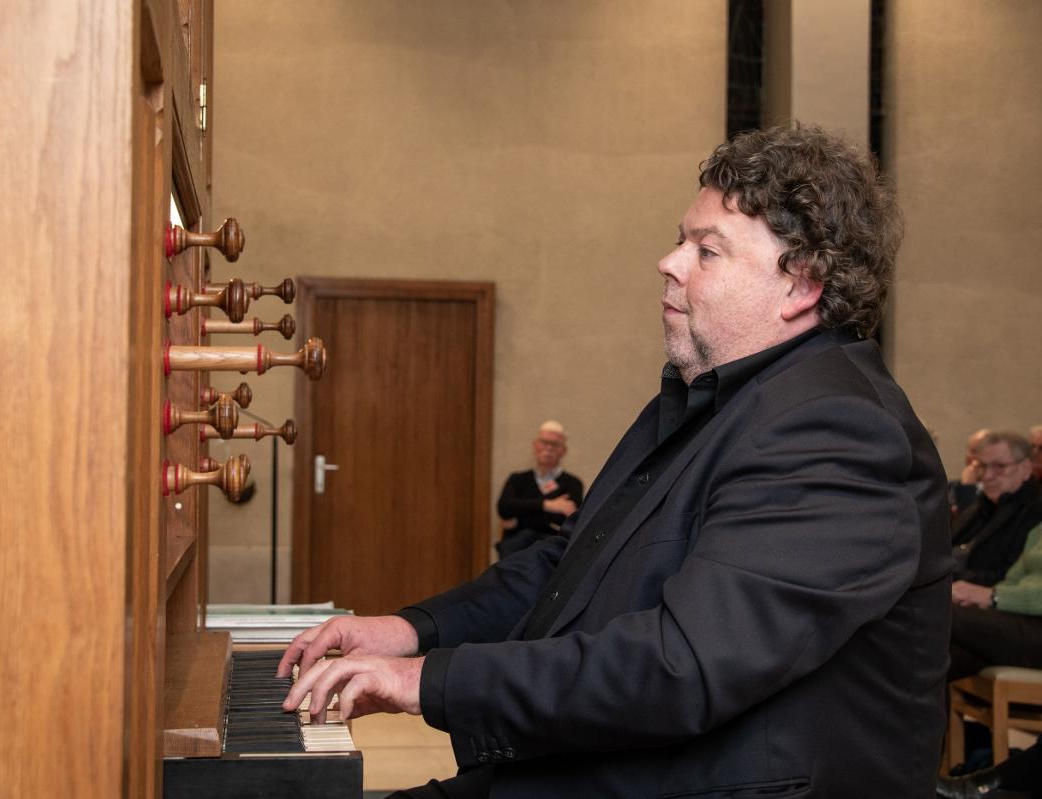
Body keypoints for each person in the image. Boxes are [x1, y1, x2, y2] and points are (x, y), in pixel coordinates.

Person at [277, 124, 952, 798]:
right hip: (608, 767)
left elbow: (681, 664)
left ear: (801, 285)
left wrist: (426, 680)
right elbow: (569, 565)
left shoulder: (836, 429)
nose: (669, 261)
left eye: (706, 250)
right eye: (681, 239)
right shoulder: (717, 401)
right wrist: (409, 630)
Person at [949, 521, 1042, 680]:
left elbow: (998, 593)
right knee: (939, 655)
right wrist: (981, 602)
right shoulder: (1038, 530)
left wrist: (993, 596)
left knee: (938, 612)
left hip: (1035, 628)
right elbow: (1012, 579)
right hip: (1018, 619)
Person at [951, 431, 1042, 587]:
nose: (987, 476)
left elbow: (1010, 577)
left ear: (1025, 468)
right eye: (982, 466)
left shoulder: (1035, 510)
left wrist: (950, 576)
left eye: (999, 466)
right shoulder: (985, 502)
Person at [494, 421, 584, 559]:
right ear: (535, 445)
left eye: (555, 444)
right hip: (516, 548)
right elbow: (504, 508)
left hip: (552, 547)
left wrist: (520, 517)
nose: (548, 448)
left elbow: (568, 521)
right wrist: (548, 505)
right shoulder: (517, 479)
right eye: (544, 442)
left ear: (563, 450)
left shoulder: (573, 483)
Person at [949, 428, 990, 518]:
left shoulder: (997, 493)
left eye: (983, 452)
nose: (976, 458)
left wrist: (967, 487)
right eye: (973, 451)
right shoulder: (948, 487)